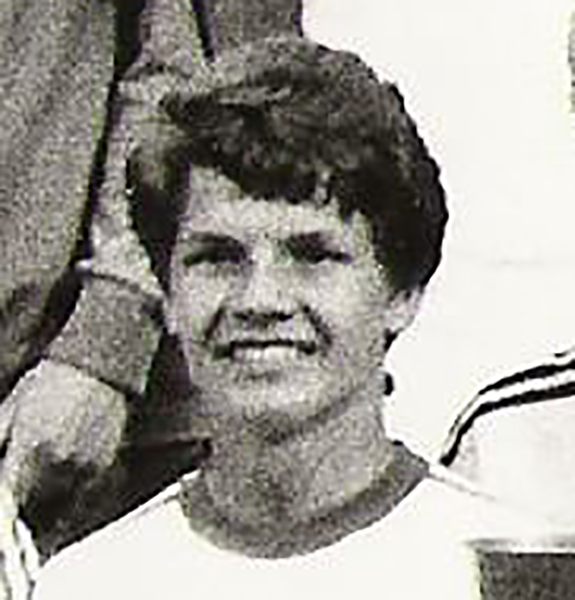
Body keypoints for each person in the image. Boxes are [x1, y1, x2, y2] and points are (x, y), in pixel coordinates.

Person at [26, 34, 560, 600]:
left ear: (403, 291)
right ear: (167, 292)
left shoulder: (508, 571)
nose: (260, 299)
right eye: (217, 257)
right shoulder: (92, 583)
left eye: (313, 256)